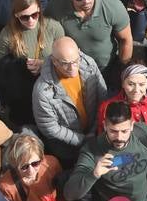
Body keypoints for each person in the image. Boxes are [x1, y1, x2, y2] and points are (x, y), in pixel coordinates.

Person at [65, 99, 147, 201]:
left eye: (124, 131)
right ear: (104, 126)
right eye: (113, 131)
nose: (119, 138)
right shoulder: (92, 150)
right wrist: (94, 174)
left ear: (132, 125)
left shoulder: (143, 133)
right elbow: (69, 194)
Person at [47, 0, 134, 84]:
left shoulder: (113, 6)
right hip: (72, 71)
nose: (86, 1)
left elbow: (126, 40)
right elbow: (46, 38)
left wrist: (123, 71)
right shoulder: (55, 8)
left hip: (107, 69)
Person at [0, 0, 63, 126]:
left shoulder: (53, 27)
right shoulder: (7, 34)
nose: (30, 20)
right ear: (16, 15)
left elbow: (66, 57)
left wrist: (45, 64)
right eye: (24, 17)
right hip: (24, 94)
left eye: (35, 15)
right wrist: (21, 65)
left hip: (52, 87)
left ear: (39, 10)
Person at [32, 36, 106, 165]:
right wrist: (82, 139)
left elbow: (102, 97)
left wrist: (95, 129)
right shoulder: (42, 91)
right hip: (68, 149)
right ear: (54, 61)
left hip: (95, 133)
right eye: (65, 63)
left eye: (75, 61)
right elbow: (50, 128)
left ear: (79, 52)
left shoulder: (89, 64)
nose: (72, 68)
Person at [100, 62, 147, 176]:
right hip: (125, 166)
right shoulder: (108, 107)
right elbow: (105, 141)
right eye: (131, 84)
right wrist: (130, 163)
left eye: (141, 84)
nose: (136, 90)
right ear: (123, 83)